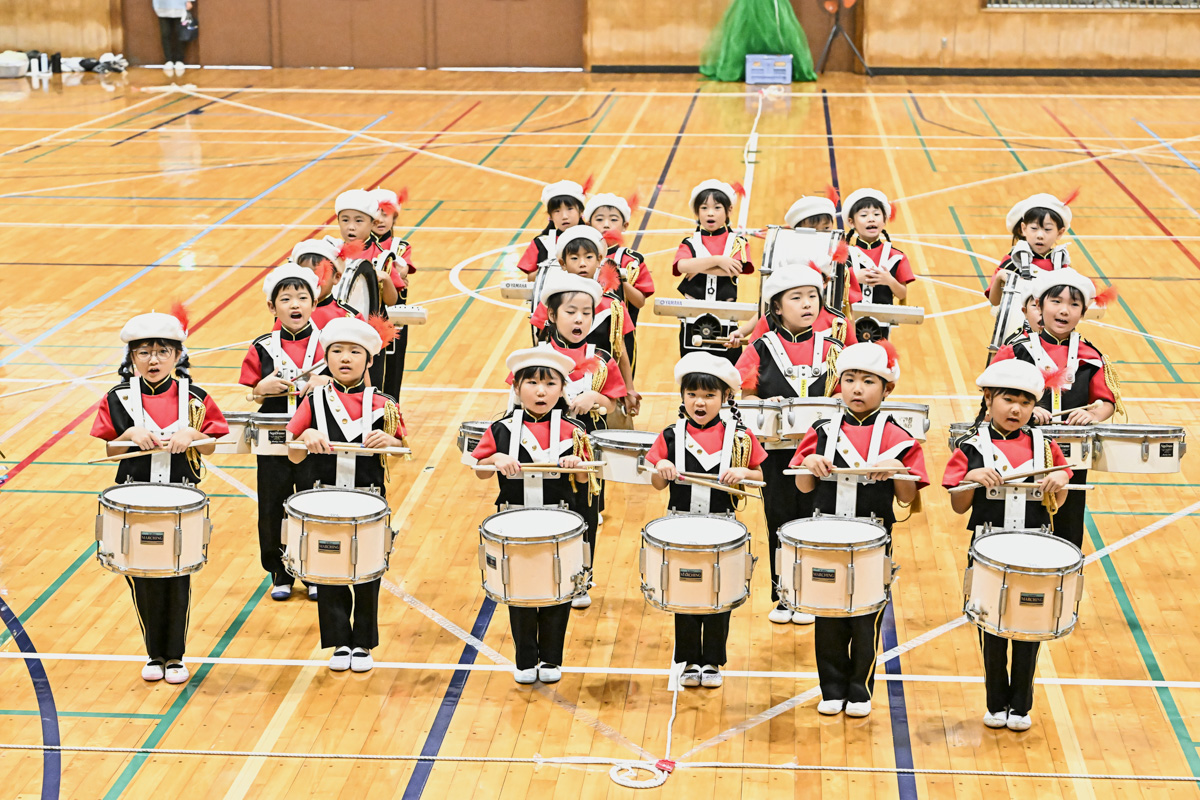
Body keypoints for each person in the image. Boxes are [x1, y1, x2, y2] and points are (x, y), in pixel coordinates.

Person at [90, 308, 228, 685]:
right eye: (144, 352)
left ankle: (176, 656)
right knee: (142, 575)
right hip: (134, 499)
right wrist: (129, 436)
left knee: (177, 575)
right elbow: (110, 450)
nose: (154, 360)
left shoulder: (195, 397)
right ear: (131, 357)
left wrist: (192, 435)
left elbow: (213, 444)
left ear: (177, 355)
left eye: (162, 352)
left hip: (181, 499)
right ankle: (154, 653)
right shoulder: (118, 398)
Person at [792, 341, 928, 717]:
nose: (857, 388)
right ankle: (831, 687)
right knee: (827, 615)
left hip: (873, 541)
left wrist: (897, 468)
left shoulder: (898, 436)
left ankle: (860, 689)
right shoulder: (822, 430)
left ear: (887, 389)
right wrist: (809, 462)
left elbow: (907, 498)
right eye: (849, 379)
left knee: (866, 618)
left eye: (868, 381)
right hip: (827, 537)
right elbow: (803, 487)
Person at [942, 359, 1071, 732]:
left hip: (1034, 546)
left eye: (1026, 403)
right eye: (1008, 400)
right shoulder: (970, 446)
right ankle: (995, 702)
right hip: (988, 546)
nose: (1016, 409)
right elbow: (958, 505)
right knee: (991, 626)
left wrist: (1059, 481)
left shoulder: (1045, 446)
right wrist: (970, 477)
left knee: (1030, 625)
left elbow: (1058, 500)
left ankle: (1021, 705)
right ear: (988, 398)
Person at [471, 345, 599, 684]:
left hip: (560, 522)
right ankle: (525, 658)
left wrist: (577, 464)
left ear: (562, 389)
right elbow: (480, 470)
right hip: (515, 522)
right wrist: (495, 459)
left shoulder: (574, 430)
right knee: (521, 590)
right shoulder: (500, 429)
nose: (541, 391)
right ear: (516, 388)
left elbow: (586, 482)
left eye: (550, 384)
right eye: (532, 383)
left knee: (558, 590)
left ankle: (552, 659)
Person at [286, 317, 406, 672]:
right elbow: (292, 453)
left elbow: (402, 451)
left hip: (369, 497)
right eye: (337, 351)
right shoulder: (314, 400)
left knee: (368, 570)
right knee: (330, 569)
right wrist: (304, 436)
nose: (345, 358)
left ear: (369, 361)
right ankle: (339, 640)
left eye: (355, 352)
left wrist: (391, 440)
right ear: (326, 358)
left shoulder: (384, 403)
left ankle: (364, 642)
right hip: (325, 499)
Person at [646, 353, 767, 688]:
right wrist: (661, 468)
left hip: (723, 525)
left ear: (725, 397)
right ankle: (689, 660)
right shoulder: (670, 435)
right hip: (680, 525)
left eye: (709, 395)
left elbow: (759, 475)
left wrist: (743, 472)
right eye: (693, 394)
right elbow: (657, 484)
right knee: (685, 592)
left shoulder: (740, 437)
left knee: (718, 593)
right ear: (683, 396)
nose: (700, 402)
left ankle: (712, 661)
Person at [735, 266, 842, 625]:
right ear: (777, 307)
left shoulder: (834, 349)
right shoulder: (760, 348)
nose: (807, 304)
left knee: (817, 518)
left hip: (822, 454)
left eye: (812, 296)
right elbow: (747, 399)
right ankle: (783, 595)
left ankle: (812, 593)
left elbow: (848, 393)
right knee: (779, 520)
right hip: (776, 453)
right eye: (796, 298)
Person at [990, 267, 1121, 549]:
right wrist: (1025, 412)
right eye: (1056, 301)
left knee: (1068, 527)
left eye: (1073, 304)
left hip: (1071, 458)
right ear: (1039, 306)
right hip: (1019, 450)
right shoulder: (1015, 351)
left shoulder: (1091, 356)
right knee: (1018, 523)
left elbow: (1107, 402)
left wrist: (1092, 414)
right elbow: (990, 400)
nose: (1064, 310)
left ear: (1083, 312)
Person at [239, 264, 329, 601]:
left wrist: (326, 381)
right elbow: (253, 392)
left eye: (302, 298)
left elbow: (353, 383)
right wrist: (260, 388)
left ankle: (314, 570)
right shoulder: (262, 346)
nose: (295, 305)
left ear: (314, 303)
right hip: (273, 435)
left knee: (313, 499)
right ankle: (280, 571)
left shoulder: (330, 343)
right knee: (272, 503)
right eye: (286, 298)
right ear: (272, 306)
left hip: (316, 434)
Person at [673, 179, 753, 362]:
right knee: (692, 366)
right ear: (697, 211)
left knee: (729, 368)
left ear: (729, 210)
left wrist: (698, 266)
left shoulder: (737, 242)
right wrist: (718, 261)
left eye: (717, 207)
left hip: (726, 317)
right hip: (693, 317)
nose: (710, 213)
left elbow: (735, 269)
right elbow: (682, 266)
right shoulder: (690, 242)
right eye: (704, 208)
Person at [364, 187, 416, 397]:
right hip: (366, 316)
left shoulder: (401, 247)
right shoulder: (361, 246)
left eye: (385, 214)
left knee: (393, 367)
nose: (380, 219)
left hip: (394, 318)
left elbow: (403, 272)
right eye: (375, 214)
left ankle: (392, 409)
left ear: (394, 217)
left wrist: (394, 273)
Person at [842, 188, 914, 340]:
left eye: (876, 214)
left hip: (882, 327)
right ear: (851, 222)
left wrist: (889, 280)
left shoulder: (896, 257)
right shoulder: (844, 255)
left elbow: (902, 294)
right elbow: (833, 290)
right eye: (864, 215)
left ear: (884, 220)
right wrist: (853, 277)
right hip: (849, 324)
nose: (871, 219)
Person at [986, 192, 1076, 305]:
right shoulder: (1015, 260)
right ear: (1023, 229)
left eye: (1047, 229)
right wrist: (999, 276)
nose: (1040, 235)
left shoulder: (1061, 262)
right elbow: (995, 301)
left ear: (1060, 232)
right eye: (1034, 228)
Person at [152, 0, 193, 76]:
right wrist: (155, 4)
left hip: (180, 6)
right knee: (165, 33)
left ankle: (179, 60)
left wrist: (189, 1)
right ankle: (168, 60)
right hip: (162, 6)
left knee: (180, 33)